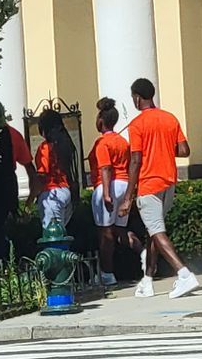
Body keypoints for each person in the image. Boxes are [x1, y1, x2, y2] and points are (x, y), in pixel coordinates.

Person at [121, 77, 199, 298]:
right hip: (169, 182)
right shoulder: (169, 118)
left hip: (149, 183)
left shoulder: (137, 124)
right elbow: (184, 150)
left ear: (137, 98)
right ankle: (147, 280)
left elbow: (135, 159)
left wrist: (128, 196)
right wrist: (162, 148)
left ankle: (184, 274)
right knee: (152, 231)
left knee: (156, 230)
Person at [0, 96, 38, 281]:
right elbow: (32, 173)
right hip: (8, 191)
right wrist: (27, 206)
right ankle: (9, 278)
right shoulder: (13, 135)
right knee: (8, 239)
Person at [89, 98, 131, 287]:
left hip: (108, 185)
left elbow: (105, 168)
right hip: (124, 183)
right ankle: (144, 255)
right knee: (120, 230)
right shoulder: (122, 141)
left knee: (105, 232)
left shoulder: (102, 143)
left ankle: (107, 273)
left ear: (101, 120)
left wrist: (106, 193)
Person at [33, 109, 76, 233]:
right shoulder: (65, 145)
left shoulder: (45, 148)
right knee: (61, 234)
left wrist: (31, 199)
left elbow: (42, 175)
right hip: (66, 191)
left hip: (51, 195)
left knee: (52, 237)